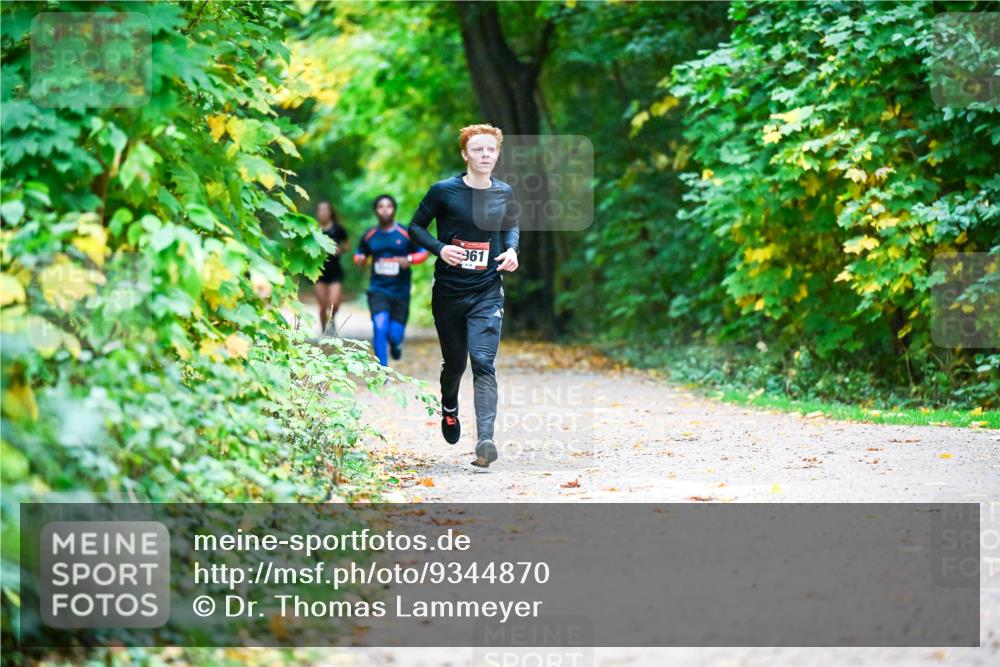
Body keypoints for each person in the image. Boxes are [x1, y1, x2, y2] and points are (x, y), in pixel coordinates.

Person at [408, 124, 519, 469]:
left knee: (483, 362)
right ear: (465, 154)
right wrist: (440, 250)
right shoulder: (444, 191)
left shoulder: (504, 192)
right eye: (478, 150)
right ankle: (449, 405)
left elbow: (511, 225)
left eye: (491, 150)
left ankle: (485, 439)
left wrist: (513, 249)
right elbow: (414, 227)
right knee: (455, 364)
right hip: (449, 293)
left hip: (487, 291)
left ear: (497, 154)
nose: (485, 156)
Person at [353, 194, 429, 366]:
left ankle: (396, 344)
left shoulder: (405, 233)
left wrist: (408, 260)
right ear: (376, 211)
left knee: (394, 335)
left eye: (388, 206)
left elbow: (423, 252)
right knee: (379, 327)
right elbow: (359, 254)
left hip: (400, 291)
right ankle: (383, 371)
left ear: (394, 210)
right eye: (380, 206)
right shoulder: (370, 235)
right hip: (378, 289)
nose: (385, 209)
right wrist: (361, 259)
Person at [314, 200, 349, 336]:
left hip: (335, 271)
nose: (323, 212)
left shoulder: (338, 229)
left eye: (326, 210)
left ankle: (332, 319)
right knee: (323, 305)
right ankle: (325, 332)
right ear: (317, 213)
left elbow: (347, 245)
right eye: (320, 210)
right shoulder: (313, 230)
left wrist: (340, 249)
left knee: (334, 303)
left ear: (330, 212)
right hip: (318, 271)